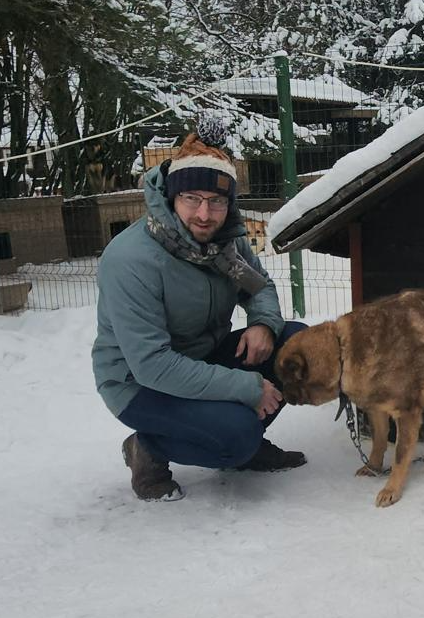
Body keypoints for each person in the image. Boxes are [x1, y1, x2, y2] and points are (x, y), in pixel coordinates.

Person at [92, 128, 306, 502]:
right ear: (172, 197)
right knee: (236, 436)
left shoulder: (226, 243)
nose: (204, 214)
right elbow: (152, 365)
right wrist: (245, 387)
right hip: (139, 385)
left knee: (297, 347)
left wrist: (263, 324)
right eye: (192, 198)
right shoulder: (132, 260)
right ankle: (148, 448)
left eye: (217, 201)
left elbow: (260, 288)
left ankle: (240, 436)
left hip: (199, 358)